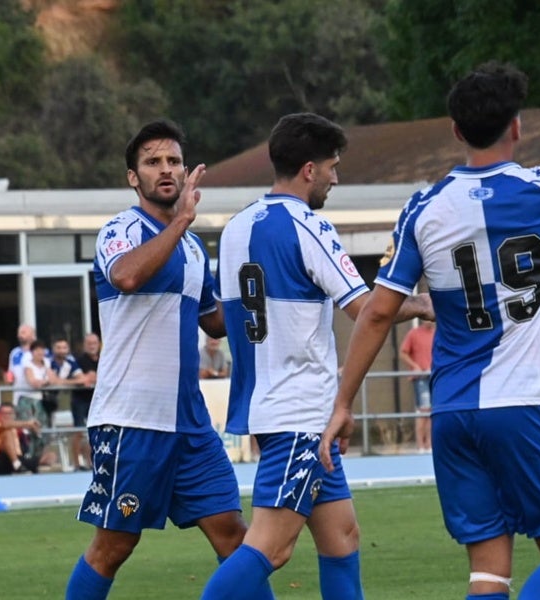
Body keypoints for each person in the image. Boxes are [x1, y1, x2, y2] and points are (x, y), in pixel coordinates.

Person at [320, 25, 540, 600]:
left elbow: (375, 314)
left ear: (454, 130)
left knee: (489, 569)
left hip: (454, 412)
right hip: (525, 406)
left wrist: (343, 403)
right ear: (517, 128)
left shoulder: (423, 208)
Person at [203, 112, 431, 600]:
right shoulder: (310, 226)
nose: (336, 177)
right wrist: (423, 303)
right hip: (300, 409)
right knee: (271, 547)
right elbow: (365, 309)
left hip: (278, 407)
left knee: (341, 536)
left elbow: (224, 319)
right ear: (309, 169)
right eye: (332, 166)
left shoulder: (236, 227)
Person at [65, 119, 262, 600]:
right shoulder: (121, 229)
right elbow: (127, 276)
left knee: (234, 536)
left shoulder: (193, 249)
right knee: (114, 545)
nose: (166, 170)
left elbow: (214, 321)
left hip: (189, 423)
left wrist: (260, 290)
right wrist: (180, 223)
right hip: (132, 417)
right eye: (152, 162)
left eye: (173, 160)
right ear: (133, 177)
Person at [399, 320, 436, 453]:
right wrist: (415, 366)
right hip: (420, 378)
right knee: (423, 410)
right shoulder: (413, 334)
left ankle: (430, 444)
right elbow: (403, 352)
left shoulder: (438, 333)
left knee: (433, 411)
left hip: (435, 376)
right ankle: (421, 445)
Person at [69, 332, 100, 471]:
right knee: (78, 431)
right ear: (84, 345)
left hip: (97, 400)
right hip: (80, 400)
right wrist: (87, 378)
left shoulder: (104, 360)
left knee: (95, 432)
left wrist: (94, 377)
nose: (92, 346)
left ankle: (91, 462)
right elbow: (80, 379)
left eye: (94, 343)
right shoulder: (78, 361)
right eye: (89, 344)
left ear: (99, 344)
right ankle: (76, 464)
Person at [0, 403, 40, 475]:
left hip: (18, 458)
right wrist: (28, 423)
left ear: (14, 415)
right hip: (0, 460)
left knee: (49, 456)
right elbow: (5, 425)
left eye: (9, 413)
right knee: (7, 432)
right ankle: (16, 465)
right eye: (4, 413)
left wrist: (35, 430)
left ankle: (19, 465)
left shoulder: (15, 429)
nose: (7, 416)